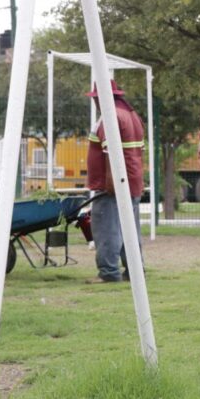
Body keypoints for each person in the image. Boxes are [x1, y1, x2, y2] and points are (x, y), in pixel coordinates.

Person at [85, 80, 146, 284]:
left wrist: (111, 181)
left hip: (111, 185)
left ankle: (109, 272)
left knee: (106, 228)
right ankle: (134, 271)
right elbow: (138, 152)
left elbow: (111, 152)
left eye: (96, 98)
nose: (95, 103)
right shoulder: (132, 116)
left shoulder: (111, 118)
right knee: (129, 229)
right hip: (133, 181)